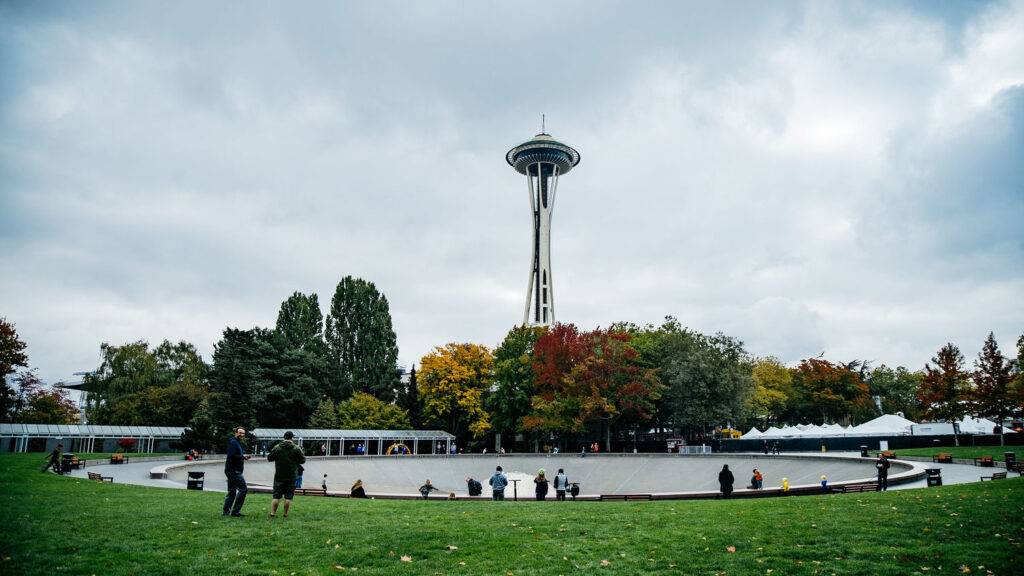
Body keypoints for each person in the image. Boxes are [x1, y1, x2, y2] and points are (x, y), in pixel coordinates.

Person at [268, 431, 306, 518]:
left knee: (276, 495)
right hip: (292, 476)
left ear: (284, 437)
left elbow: (269, 458)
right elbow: (303, 460)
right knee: (288, 497)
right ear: (292, 438)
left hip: (279, 475)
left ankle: (272, 513)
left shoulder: (277, 447)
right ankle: (285, 514)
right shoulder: (296, 448)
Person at [223, 427, 250, 516]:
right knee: (243, 489)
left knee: (231, 492)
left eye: (243, 434)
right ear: (236, 433)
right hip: (234, 471)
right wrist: (242, 457)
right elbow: (231, 456)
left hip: (232, 470)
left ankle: (226, 512)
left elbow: (234, 455)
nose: (242, 435)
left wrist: (242, 456)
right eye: (240, 433)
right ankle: (235, 511)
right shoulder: (233, 442)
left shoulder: (236, 442)